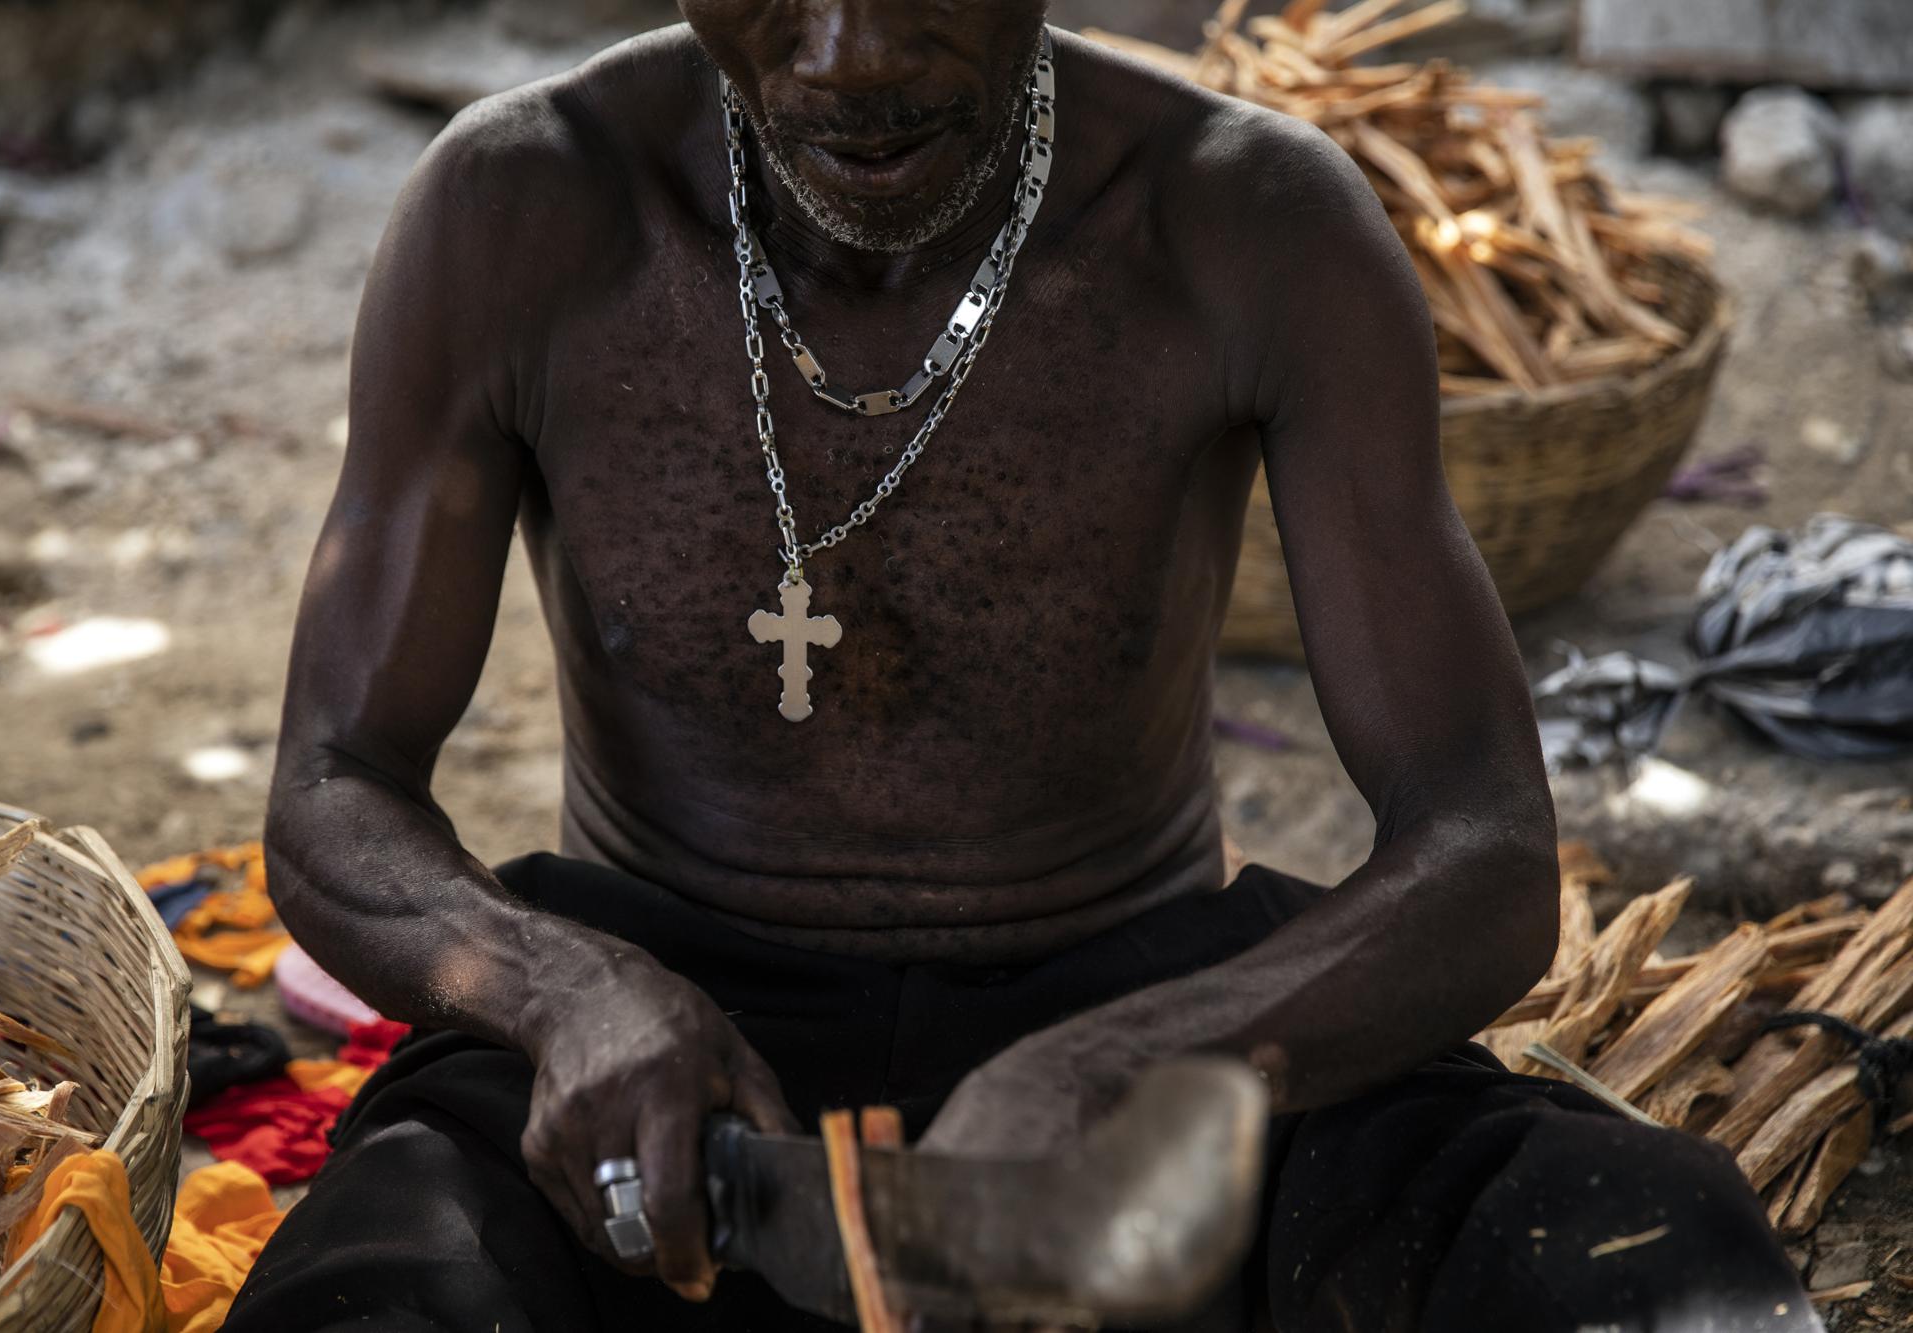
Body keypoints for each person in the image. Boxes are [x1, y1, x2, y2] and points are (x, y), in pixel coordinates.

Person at [227, 3, 1817, 1330]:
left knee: (1634, 1247)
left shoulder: (1248, 226)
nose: (847, 55)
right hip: (662, 1057)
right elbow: (329, 786)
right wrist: (566, 992)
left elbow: (1485, 853)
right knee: (379, 1293)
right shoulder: (521, 213)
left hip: (1141, 999)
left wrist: (1141, 1063)